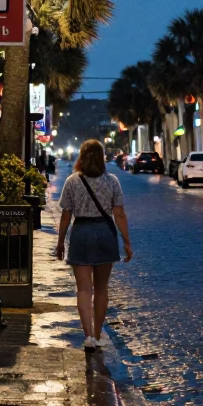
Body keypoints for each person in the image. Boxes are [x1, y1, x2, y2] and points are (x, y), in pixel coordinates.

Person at [56, 138, 132, 350]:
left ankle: (88, 336)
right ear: (102, 157)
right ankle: (98, 334)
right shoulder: (112, 181)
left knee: (83, 290)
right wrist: (127, 242)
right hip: (104, 233)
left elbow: (65, 215)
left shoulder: (72, 181)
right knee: (101, 289)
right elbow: (119, 214)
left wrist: (61, 241)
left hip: (81, 232)